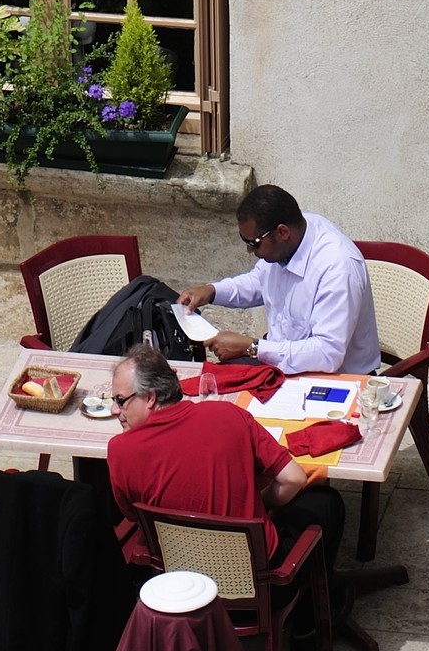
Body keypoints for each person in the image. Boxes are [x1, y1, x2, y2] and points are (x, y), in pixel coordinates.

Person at [104, 343, 344, 598]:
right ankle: (310, 622)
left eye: (120, 401)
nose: (114, 410)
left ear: (150, 397)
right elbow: (293, 479)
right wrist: (261, 502)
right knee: (326, 502)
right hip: (259, 589)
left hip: (181, 591)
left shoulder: (120, 451)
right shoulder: (229, 415)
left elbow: (132, 515)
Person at [179, 183, 380, 374]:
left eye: (254, 243)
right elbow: (258, 281)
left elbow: (327, 353)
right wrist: (212, 291)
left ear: (283, 232)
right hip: (282, 369)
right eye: (245, 241)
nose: (249, 250)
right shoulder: (290, 240)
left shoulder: (337, 268)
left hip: (337, 381)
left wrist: (252, 347)